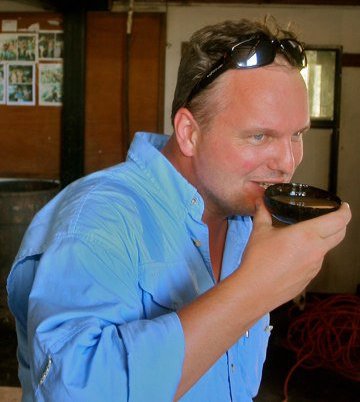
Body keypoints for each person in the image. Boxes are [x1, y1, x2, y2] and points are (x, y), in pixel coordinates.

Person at [7, 18, 351, 402]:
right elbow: (73, 392)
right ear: (189, 132)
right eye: (259, 136)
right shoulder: (96, 218)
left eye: (297, 134)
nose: (288, 162)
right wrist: (256, 289)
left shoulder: (246, 216)